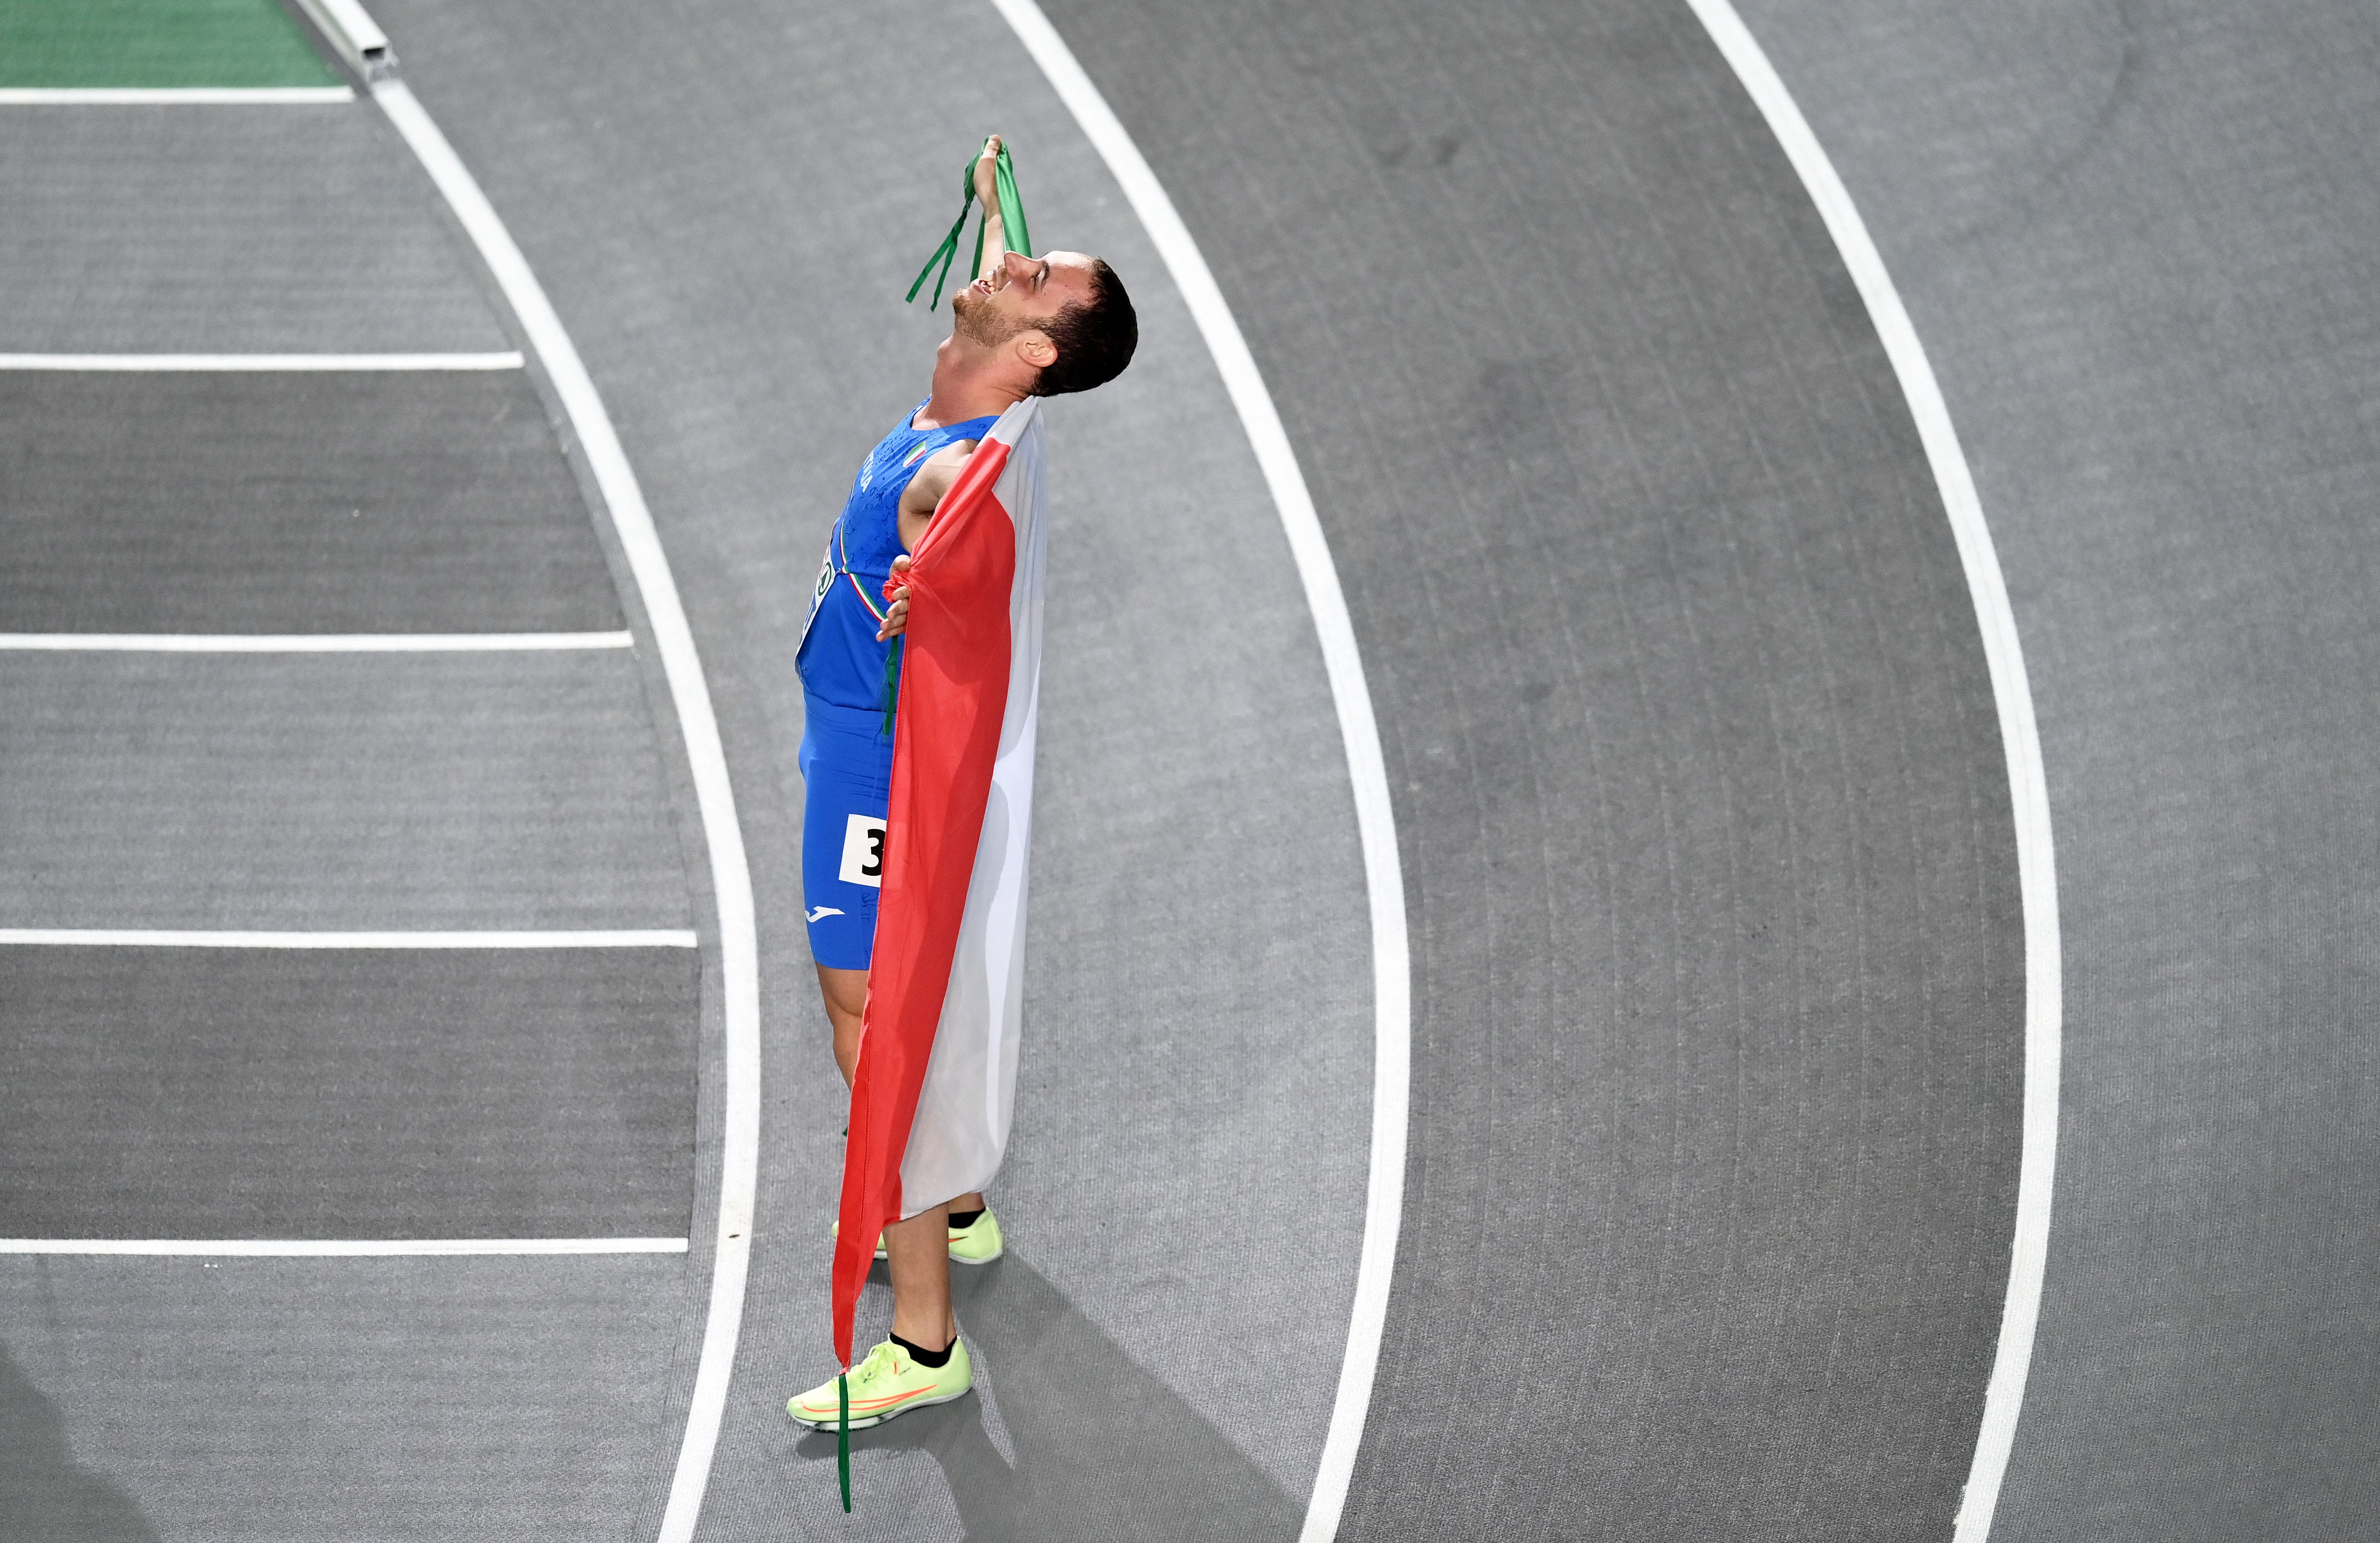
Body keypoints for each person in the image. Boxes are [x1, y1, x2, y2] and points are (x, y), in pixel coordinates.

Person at [785, 136, 1137, 1433]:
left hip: (869, 769)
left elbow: (966, 618)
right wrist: (996, 207)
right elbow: (999, 297)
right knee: (872, 1009)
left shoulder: (952, 477)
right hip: (846, 733)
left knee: (871, 1014)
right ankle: (966, 1209)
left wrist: (924, 608)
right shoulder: (977, 382)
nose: (1005, 268)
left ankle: (923, 1337)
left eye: (1030, 276)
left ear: (1035, 352)